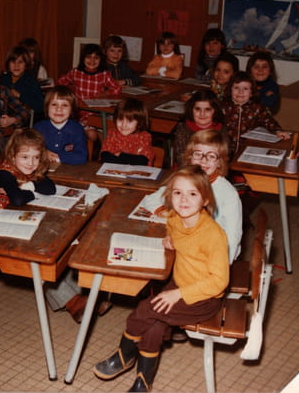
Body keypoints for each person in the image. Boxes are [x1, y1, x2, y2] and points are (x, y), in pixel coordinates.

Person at [93, 165, 229, 392]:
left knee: (143, 311)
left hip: (203, 298)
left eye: (192, 194)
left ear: (205, 200)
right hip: (181, 283)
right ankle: (143, 381)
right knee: (154, 325)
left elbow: (219, 281)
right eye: (178, 193)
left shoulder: (213, 235)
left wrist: (179, 294)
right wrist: (170, 239)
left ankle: (124, 354)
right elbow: (175, 229)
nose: (183, 199)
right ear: (170, 196)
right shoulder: (175, 217)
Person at [140, 130, 242, 264]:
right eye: (198, 154)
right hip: (185, 241)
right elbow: (151, 199)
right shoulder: (184, 180)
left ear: (220, 162)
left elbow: (233, 237)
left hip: (212, 253)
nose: (203, 160)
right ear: (190, 158)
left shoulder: (228, 194)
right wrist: (166, 213)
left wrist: (221, 264)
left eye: (211, 156)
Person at [0, 128, 56, 221]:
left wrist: (27, 186)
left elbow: (51, 188)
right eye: (25, 157)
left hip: (18, 214)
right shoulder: (3, 174)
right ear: (13, 156)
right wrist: (33, 193)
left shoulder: (26, 168)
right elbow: (18, 200)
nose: (31, 163)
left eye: (36, 157)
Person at [57, 43, 121, 143]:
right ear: (83, 59)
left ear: (100, 60)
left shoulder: (104, 74)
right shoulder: (76, 72)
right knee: (92, 134)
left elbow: (117, 88)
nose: (92, 61)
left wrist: (104, 94)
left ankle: (104, 150)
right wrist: (71, 94)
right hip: (82, 114)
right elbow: (61, 82)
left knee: (109, 132)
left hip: (99, 113)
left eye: (96, 58)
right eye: (88, 57)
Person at [220, 71, 289, 155]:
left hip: (248, 148)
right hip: (226, 148)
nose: (240, 92)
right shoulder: (223, 106)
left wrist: (278, 131)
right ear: (230, 89)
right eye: (236, 88)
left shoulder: (256, 108)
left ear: (251, 92)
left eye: (245, 89)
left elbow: (268, 121)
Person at [34, 86, 88, 167]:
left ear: (72, 110)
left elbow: (82, 157)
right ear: (47, 107)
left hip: (68, 170)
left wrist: (58, 157)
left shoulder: (77, 129)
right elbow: (30, 151)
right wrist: (43, 153)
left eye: (65, 105)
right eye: (54, 104)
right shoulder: (38, 128)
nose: (59, 109)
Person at [172, 89, 226, 167]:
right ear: (191, 109)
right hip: (187, 169)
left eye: (207, 109)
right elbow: (182, 159)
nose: (202, 114)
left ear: (215, 111)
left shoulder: (221, 130)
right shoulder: (183, 129)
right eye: (197, 109)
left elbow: (223, 159)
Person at [100, 98, 155, 166]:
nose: (124, 125)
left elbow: (142, 161)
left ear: (140, 122)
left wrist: (120, 155)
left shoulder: (144, 137)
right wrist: (128, 159)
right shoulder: (112, 133)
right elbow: (104, 156)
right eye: (120, 119)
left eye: (129, 121)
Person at [0, 45, 44, 122]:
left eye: (20, 62)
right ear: (8, 64)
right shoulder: (2, 79)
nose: (16, 65)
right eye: (13, 62)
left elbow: (41, 106)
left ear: (26, 64)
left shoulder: (31, 82)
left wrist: (20, 95)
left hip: (22, 121)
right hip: (1, 117)